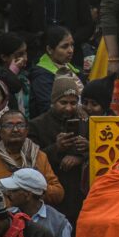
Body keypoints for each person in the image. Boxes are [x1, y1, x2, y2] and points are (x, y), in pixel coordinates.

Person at [27, 76, 87, 223]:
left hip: (78, 192)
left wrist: (85, 152)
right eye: (63, 102)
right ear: (53, 102)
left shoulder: (86, 123)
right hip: (50, 192)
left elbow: (100, 153)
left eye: (73, 103)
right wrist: (56, 148)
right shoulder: (37, 125)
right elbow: (30, 159)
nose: (69, 108)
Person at [0, 110, 64, 205]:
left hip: (34, 216)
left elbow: (58, 193)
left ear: (27, 130)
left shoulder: (38, 155)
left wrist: (33, 186)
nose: (15, 129)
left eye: (20, 125)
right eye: (9, 125)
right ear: (0, 131)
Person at [28, 27, 81, 118]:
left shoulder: (73, 69)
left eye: (72, 45)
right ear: (49, 49)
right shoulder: (42, 76)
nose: (71, 50)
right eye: (65, 46)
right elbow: (47, 108)